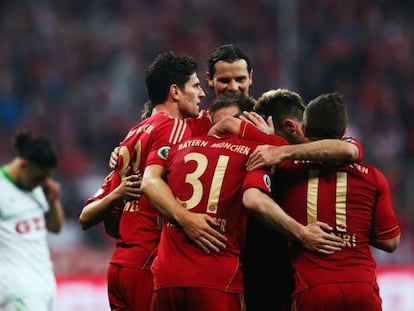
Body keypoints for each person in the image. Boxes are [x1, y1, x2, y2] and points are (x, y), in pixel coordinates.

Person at [141, 94, 345, 311]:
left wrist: (183, 217)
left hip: (166, 278)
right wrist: (302, 233)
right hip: (218, 277)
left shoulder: (180, 147)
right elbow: (254, 199)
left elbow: (150, 185)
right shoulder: (258, 151)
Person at [79, 51, 227, 311]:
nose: (202, 94)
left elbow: (87, 217)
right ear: (175, 92)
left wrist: (117, 196)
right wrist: (187, 219)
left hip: (120, 265)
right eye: (195, 86)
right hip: (148, 262)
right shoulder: (173, 128)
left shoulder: (133, 134)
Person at [209, 88, 363, 310]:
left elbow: (348, 150)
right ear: (293, 126)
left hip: (292, 283)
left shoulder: (280, 152)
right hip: (270, 280)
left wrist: (280, 149)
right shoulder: (259, 154)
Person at [270, 92, 400, 310]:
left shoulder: (285, 172)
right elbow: (390, 242)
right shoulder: (372, 176)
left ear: (303, 130)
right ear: (344, 133)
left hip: (313, 289)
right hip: (362, 290)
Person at [0, 131, 65, 311]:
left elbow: (55, 227)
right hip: (16, 290)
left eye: (46, 176)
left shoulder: (36, 187)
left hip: (45, 287)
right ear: (23, 165)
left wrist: (53, 202)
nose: (43, 181)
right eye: (39, 176)